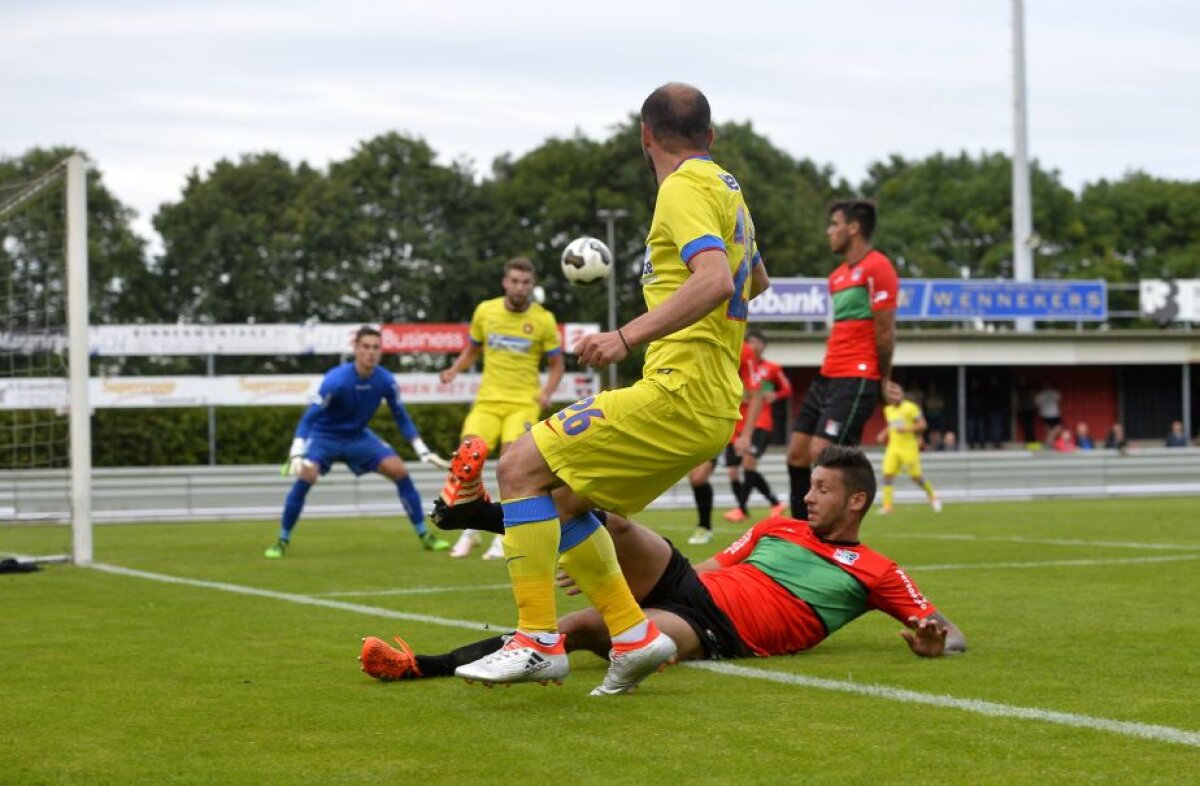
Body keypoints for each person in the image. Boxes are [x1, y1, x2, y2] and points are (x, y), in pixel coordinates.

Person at [431, 83, 770, 694]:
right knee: (560, 500)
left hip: (681, 391)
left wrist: (626, 336)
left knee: (518, 466)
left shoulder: (683, 187)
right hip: (711, 398)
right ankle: (634, 636)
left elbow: (718, 280)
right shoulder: (728, 190)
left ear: (645, 135)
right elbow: (756, 279)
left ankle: (537, 640)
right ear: (710, 136)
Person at [359, 446, 966, 685]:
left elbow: (948, 631)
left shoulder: (877, 570)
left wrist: (938, 642)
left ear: (857, 501)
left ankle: (420, 667)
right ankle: (475, 514)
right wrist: (615, 571)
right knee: (605, 519)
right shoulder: (777, 525)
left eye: (823, 489)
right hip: (689, 583)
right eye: (809, 486)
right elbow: (709, 563)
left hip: (719, 632)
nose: (808, 496)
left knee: (569, 631)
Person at [265, 326, 450, 558]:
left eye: (375, 347)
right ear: (355, 349)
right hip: (325, 436)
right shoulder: (336, 380)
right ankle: (282, 540)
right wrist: (296, 452)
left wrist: (422, 450)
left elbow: (400, 416)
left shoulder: (385, 380)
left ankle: (425, 536)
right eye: (365, 347)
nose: (370, 352)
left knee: (399, 471)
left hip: (358, 437)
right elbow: (309, 418)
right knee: (306, 476)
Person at [438, 257, 566, 561]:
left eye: (525, 282)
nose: (519, 287)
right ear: (505, 282)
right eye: (514, 281)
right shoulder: (486, 310)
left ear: (531, 285)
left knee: (510, 466)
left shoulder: (544, 320)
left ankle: (502, 534)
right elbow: (472, 349)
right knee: (466, 458)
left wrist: (546, 392)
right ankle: (471, 528)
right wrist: (455, 369)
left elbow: (557, 365)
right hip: (487, 401)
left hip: (523, 403)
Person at [786, 200, 898, 518]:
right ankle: (800, 535)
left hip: (857, 376)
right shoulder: (836, 277)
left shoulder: (879, 267)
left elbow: (886, 331)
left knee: (823, 455)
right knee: (797, 454)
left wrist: (883, 379)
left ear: (854, 228)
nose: (829, 231)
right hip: (828, 374)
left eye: (834, 224)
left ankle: (832, 539)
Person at [687, 341, 763, 546]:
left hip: (731, 424)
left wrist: (746, 435)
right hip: (704, 422)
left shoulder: (743, 349)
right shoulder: (698, 340)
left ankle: (755, 508)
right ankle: (705, 526)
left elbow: (757, 395)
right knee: (696, 478)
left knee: (743, 467)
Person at [723, 331, 791, 523]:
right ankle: (774, 502)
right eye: (750, 341)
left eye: (758, 342)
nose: (753, 345)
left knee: (748, 462)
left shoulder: (772, 368)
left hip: (760, 421)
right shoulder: (739, 364)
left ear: (764, 346)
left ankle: (741, 508)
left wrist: (775, 396)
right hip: (738, 422)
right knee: (733, 471)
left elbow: (787, 389)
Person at [875, 381, 941, 515]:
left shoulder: (911, 408)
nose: (893, 396)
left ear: (901, 394)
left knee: (916, 477)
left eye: (896, 393)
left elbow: (923, 425)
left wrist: (906, 429)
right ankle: (887, 506)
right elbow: (891, 425)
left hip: (909, 447)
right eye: (890, 394)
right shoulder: (888, 409)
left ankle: (933, 496)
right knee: (887, 475)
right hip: (893, 447)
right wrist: (883, 433)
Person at [1034, 383, 1063, 448]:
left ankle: (1048, 442)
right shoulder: (1055, 393)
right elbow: (1059, 399)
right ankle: (1049, 443)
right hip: (1053, 413)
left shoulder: (1040, 394)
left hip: (1046, 414)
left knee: (1051, 430)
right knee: (1055, 429)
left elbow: (1036, 403)